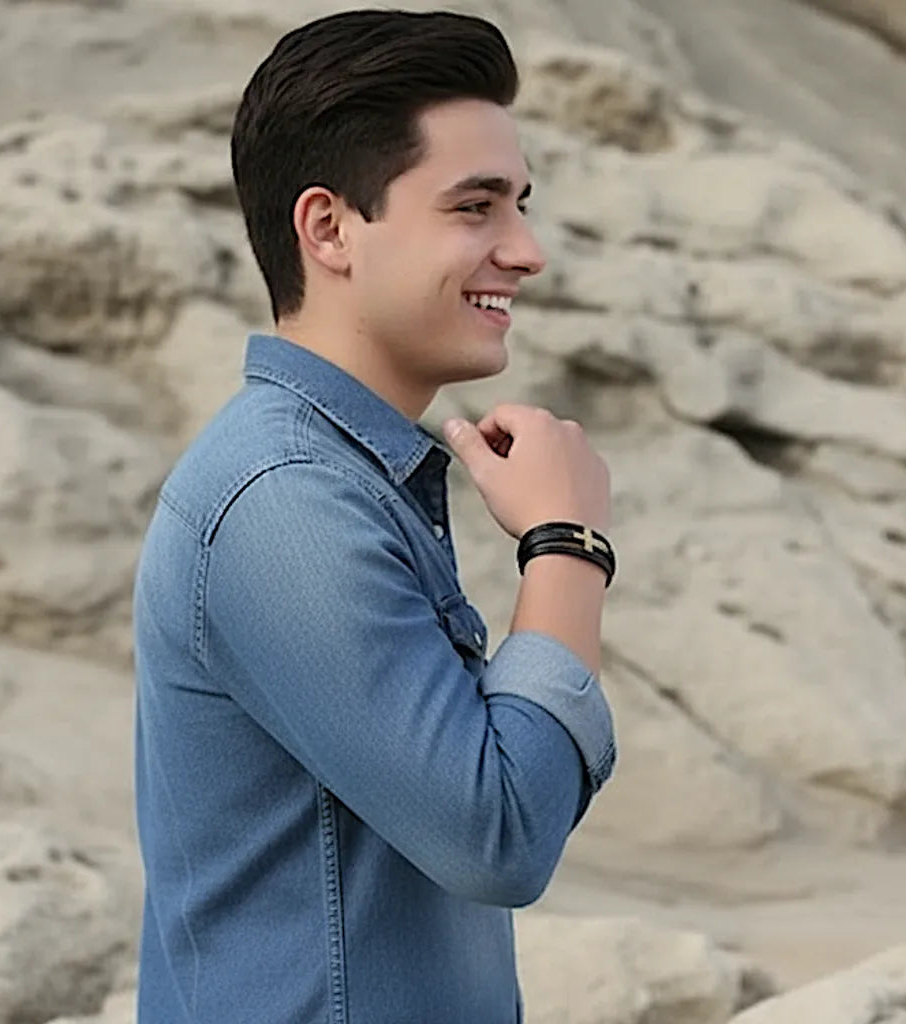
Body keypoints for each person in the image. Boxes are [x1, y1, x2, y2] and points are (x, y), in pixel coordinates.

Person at [132, 9, 617, 1023]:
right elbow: (499, 833)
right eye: (475, 206)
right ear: (328, 229)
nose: (525, 251)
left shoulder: (345, 476)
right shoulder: (283, 498)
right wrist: (565, 545)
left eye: (520, 204)